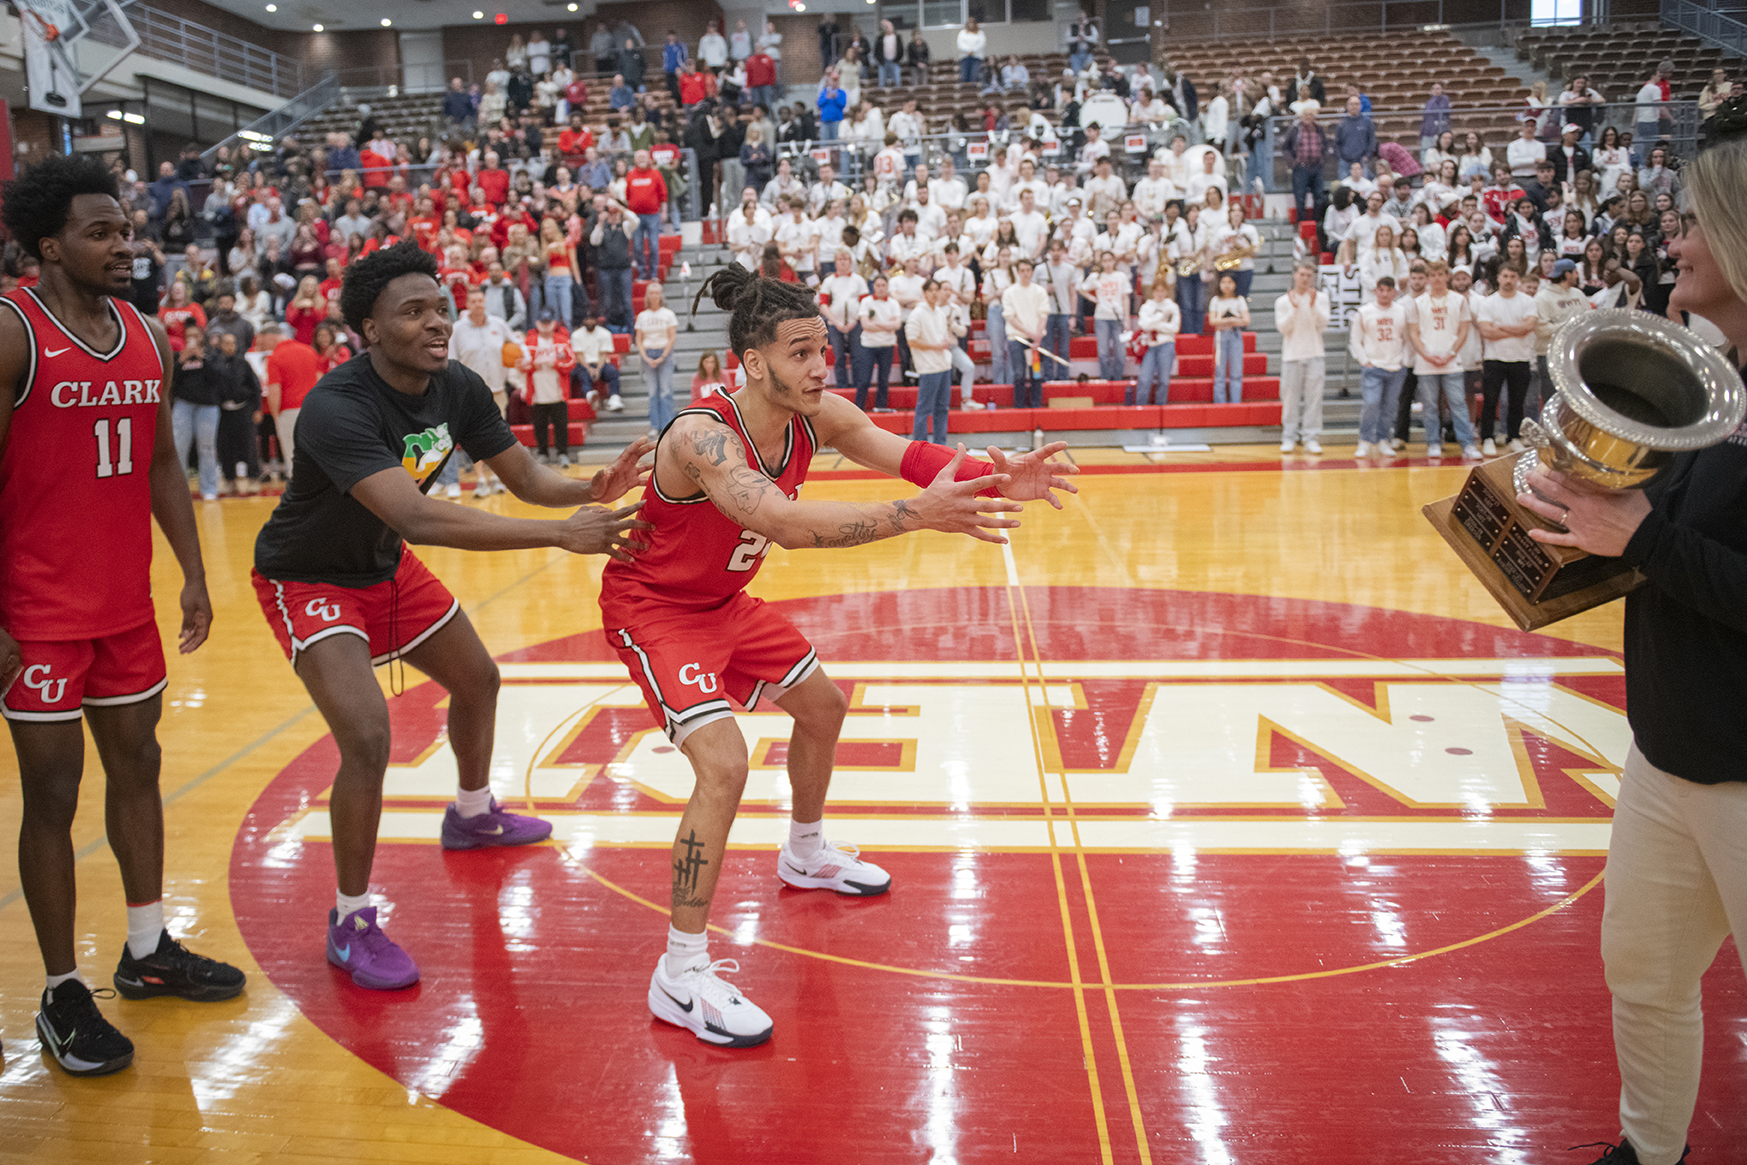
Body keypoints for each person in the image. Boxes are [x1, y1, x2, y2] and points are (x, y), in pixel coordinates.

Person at [605, 262, 1076, 1047]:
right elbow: (786, 523)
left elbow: (905, 454)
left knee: (823, 706)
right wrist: (917, 517)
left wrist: (996, 475)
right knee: (722, 765)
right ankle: (680, 973)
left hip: (725, 602)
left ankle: (805, 850)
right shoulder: (699, 436)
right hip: (655, 611)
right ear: (754, 363)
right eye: (799, 353)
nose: (820, 366)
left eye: (822, 348)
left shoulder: (818, 414)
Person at [251, 243, 652, 990]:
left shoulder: (457, 384)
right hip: (308, 576)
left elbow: (525, 476)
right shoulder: (337, 408)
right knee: (368, 735)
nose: (436, 322)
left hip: (384, 565)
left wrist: (588, 489)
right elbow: (416, 513)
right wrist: (562, 535)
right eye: (414, 312)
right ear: (369, 328)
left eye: (440, 307)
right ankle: (350, 917)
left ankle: (471, 814)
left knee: (479, 679)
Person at [1510, 97, 1747, 1165]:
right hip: (1666, 752)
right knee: (1643, 977)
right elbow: (1650, 548)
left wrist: (1638, 534)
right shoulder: (1714, 392)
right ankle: (1649, 1153)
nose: (1674, 239)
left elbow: (1671, 551)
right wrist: (1558, 513)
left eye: (1692, 222)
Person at [0, 153, 243, 1078]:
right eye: (100, 232)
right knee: (53, 795)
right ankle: (61, 990)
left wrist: (190, 569)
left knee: (137, 765)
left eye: (126, 230)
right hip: (38, 613)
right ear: (49, 244)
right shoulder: (12, 331)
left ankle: (147, 950)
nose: (122, 245)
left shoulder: (147, 335)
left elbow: (160, 467)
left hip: (124, 607)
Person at [449, 285, 522, 497]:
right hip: (470, 394)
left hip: (498, 390)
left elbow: (517, 343)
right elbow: (452, 362)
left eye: (481, 301)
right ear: (467, 305)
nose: (478, 305)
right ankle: (481, 479)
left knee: (500, 436)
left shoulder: (499, 325)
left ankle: (499, 478)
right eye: (473, 302)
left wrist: (523, 357)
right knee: (475, 438)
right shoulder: (458, 330)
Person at [1407, 258, 1479, 459]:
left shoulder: (1459, 300)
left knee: (1458, 403)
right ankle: (1433, 442)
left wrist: (1452, 353)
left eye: (1440, 274)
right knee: (1429, 406)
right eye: (1433, 275)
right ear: (1428, 278)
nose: (1437, 278)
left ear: (1447, 276)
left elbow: (1463, 330)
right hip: (1426, 363)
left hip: (1452, 361)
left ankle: (1467, 444)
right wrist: (1426, 354)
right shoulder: (1418, 303)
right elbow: (1413, 333)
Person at [1472, 263, 1538, 456]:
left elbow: (1528, 327)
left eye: (1512, 276)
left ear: (1518, 279)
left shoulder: (1527, 301)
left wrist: (1501, 327)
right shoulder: (1489, 302)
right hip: (1494, 358)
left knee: (1517, 402)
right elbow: (1487, 332)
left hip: (1520, 358)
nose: (1509, 280)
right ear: (1499, 278)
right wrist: (1516, 329)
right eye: (1505, 276)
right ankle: (1488, 438)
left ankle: (1514, 437)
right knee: (1491, 400)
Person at [1274, 260, 1330, 454]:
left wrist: (1312, 306)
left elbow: (1323, 325)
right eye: (1302, 274)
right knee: (1290, 400)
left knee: (1314, 400)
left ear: (1312, 277)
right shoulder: (1283, 301)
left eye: (1309, 275)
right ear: (1295, 275)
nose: (1305, 279)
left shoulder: (1320, 298)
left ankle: (1311, 438)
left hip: (1315, 354)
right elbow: (1283, 328)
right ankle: (1288, 437)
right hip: (1291, 356)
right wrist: (1295, 308)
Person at [1353, 274, 1408, 457]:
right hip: (1373, 367)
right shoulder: (1364, 312)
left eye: (1388, 290)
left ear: (1394, 292)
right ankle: (1365, 440)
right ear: (1376, 291)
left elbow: (1408, 338)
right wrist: (1364, 361)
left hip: (1395, 366)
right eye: (1381, 290)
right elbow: (1355, 340)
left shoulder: (1401, 311)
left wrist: (1403, 361)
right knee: (1371, 403)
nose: (1384, 294)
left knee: (1390, 407)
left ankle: (1383, 439)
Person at [906, 279, 954, 444]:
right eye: (930, 290)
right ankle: (920, 445)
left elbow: (943, 338)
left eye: (936, 290)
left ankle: (941, 445)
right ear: (925, 293)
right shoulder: (917, 314)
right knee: (924, 409)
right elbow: (911, 341)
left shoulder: (940, 313)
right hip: (928, 368)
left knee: (942, 409)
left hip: (943, 366)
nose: (934, 293)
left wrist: (944, 345)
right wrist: (935, 346)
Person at [1002, 257, 1050, 409]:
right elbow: (1010, 318)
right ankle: (1019, 407)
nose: (1025, 273)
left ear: (1032, 271)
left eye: (1028, 270)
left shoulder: (1040, 291)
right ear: (1017, 272)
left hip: (1035, 341)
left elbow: (1044, 314)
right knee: (1019, 374)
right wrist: (1030, 333)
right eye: (1022, 270)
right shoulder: (1009, 293)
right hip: (1017, 340)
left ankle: (1036, 406)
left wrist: (1037, 337)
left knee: (1036, 374)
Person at [636, 282, 679, 439]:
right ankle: (654, 426)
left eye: (657, 293)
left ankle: (668, 424)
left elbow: (671, 337)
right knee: (652, 392)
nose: (654, 296)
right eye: (651, 293)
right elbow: (639, 339)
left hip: (664, 353)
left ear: (661, 295)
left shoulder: (668, 314)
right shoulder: (642, 316)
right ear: (648, 296)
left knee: (665, 391)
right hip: (648, 353)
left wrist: (662, 356)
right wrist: (645, 357)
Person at [855, 273, 900, 411]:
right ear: (873, 286)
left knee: (883, 381)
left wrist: (876, 324)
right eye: (878, 285)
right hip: (868, 344)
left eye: (883, 285)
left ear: (887, 287)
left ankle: (881, 409)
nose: (880, 288)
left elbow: (897, 325)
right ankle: (858, 410)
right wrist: (887, 324)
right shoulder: (866, 302)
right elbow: (865, 325)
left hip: (887, 344)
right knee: (864, 380)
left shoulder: (893, 303)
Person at [1132, 280, 1180, 406]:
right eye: (1157, 290)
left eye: (1162, 290)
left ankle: (1160, 409)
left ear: (1166, 292)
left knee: (1164, 380)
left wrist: (1155, 324)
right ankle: (1141, 408)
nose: (1159, 293)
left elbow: (1174, 328)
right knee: (1144, 379)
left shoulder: (1172, 306)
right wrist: (1161, 316)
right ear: (1153, 292)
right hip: (1150, 346)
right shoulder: (1147, 306)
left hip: (1166, 344)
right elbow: (1143, 325)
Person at [1206, 271, 1249, 404]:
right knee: (1220, 371)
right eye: (1223, 282)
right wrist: (1231, 319)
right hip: (1221, 335)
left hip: (1235, 335)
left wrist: (1231, 320)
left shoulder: (1239, 300)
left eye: (1229, 282)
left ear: (1235, 284)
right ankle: (1220, 403)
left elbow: (1246, 320)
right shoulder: (1216, 300)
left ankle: (1236, 402)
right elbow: (1212, 321)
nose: (1226, 285)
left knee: (1236, 371)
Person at [1283, 104, 1327, 226]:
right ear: (1301, 117)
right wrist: (1292, 163)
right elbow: (1286, 148)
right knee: (1300, 197)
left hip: (1317, 167)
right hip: (1301, 167)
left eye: (1310, 115)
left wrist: (1322, 159)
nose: (1308, 117)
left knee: (1319, 196)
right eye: (1305, 115)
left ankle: (1317, 223)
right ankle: (1301, 224)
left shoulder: (1319, 130)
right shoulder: (1295, 130)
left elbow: (1325, 146)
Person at [957, 18, 986, 85]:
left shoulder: (980, 33)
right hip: (965, 57)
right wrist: (968, 51)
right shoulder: (962, 33)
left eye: (973, 23)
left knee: (974, 76)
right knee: (964, 76)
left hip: (976, 57)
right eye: (970, 23)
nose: (971, 25)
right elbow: (960, 44)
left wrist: (973, 51)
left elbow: (981, 44)